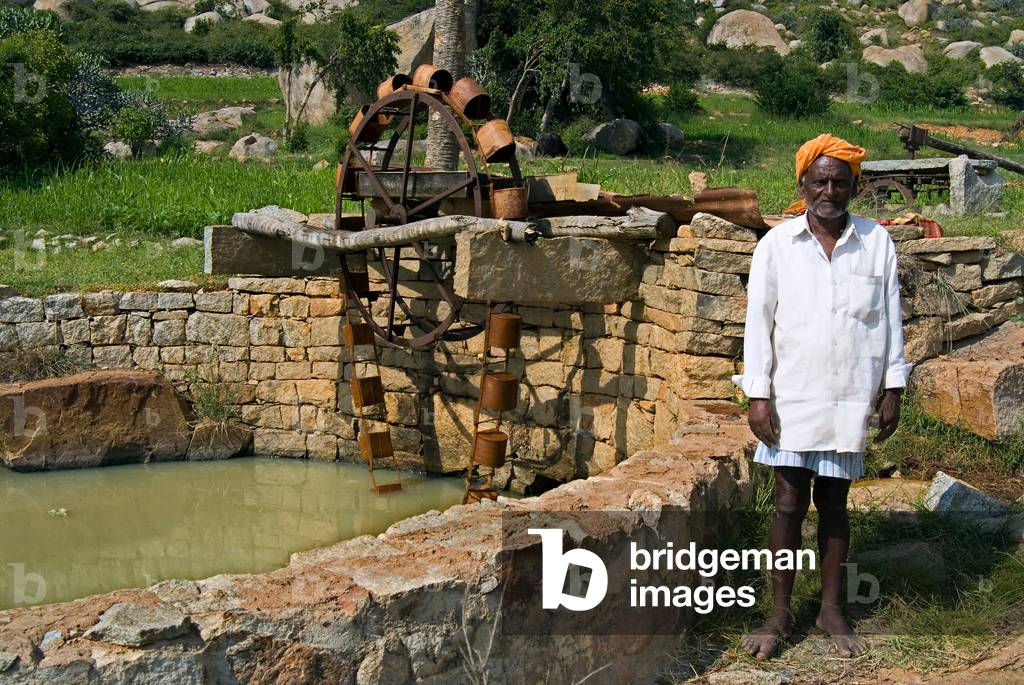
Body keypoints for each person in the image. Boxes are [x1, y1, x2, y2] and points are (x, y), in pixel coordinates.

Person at [731, 134, 912, 660]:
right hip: (792, 397)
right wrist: (758, 395)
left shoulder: (877, 241)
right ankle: (780, 614)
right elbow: (757, 325)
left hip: (850, 394)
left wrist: (893, 386)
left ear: (854, 185)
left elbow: (888, 320)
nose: (829, 189)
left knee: (835, 502)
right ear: (803, 184)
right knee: (788, 502)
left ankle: (832, 608)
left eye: (839, 181)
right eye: (820, 180)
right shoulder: (776, 246)